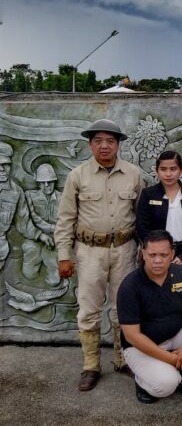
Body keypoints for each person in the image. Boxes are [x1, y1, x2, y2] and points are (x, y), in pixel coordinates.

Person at [54, 119, 145, 391]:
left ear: (118, 144)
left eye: (110, 141)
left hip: (125, 251)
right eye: (98, 141)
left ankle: (122, 358)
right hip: (89, 252)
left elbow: (142, 216)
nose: (104, 146)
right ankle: (91, 365)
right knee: (89, 310)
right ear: (90, 144)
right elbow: (65, 219)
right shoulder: (78, 176)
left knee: (123, 309)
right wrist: (63, 255)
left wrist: (144, 250)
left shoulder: (134, 174)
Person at [118, 230, 182, 404]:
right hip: (140, 348)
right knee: (167, 384)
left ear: (172, 254)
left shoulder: (181, 273)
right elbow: (132, 336)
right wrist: (173, 359)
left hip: (174, 337)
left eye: (164, 255)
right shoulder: (130, 286)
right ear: (143, 254)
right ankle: (142, 381)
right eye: (152, 255)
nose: (158, 260)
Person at [136, 151, 182, 271]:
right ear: (156, 171)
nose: (168, 174)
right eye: (163, 169)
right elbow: (141, 226)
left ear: (181, 170)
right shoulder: (148, 194)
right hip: (156, 255)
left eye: (173, 169)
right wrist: (156, 252)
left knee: (180, 288)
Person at [0, 143, 54, 273]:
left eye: (5, 165)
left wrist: (41, 236)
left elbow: (23, 222)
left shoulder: (16, 192)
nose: (2, 169)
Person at [21, 163, 62, 287]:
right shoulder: (29, 196)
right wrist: (45, 232)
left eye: (49, 182)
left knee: (54, 281)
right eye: (43, 182)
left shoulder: (63, 197)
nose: (46, 186)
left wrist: (56, 233)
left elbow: (66, 219)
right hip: (35, 238)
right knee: (28, 274)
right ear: (38, 183)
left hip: (55, 240)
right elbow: (33, 217)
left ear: (54, 181)